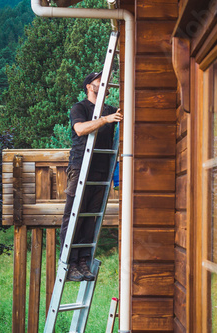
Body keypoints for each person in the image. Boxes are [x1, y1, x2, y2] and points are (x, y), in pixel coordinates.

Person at [61, 71, 123, 282]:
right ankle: (69, 264)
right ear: (89, 85)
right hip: (80, 168)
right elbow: (79, 129)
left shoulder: (109, 110)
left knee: (90, 218)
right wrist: (105, 119)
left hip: (101, 172)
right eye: (98, 80)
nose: (102, 82)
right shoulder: (80, 108)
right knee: (74, 216)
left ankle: (83, 263)